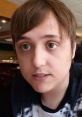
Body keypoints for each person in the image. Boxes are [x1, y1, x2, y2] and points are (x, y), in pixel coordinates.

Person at [1, 0, 82, 116]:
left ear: (73, 49)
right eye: (25, 46)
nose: (37, 62)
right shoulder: (11, 94)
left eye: (51, 44)